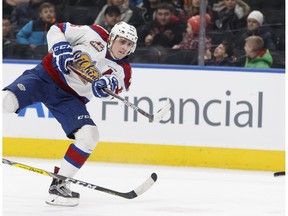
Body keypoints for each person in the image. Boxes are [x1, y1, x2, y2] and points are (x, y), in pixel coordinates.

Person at [2, 21, 138, 207]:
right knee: (6, 101)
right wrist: (60, 46)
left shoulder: (123, 70)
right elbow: (57, 29)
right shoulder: (93, 33)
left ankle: (59, 184)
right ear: (112, 38)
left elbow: (115, 83)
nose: (125, 47)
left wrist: (106, 84)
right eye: (122, 41)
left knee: (89, 136)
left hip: (69, 99)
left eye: (130, 44)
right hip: (44, 77)